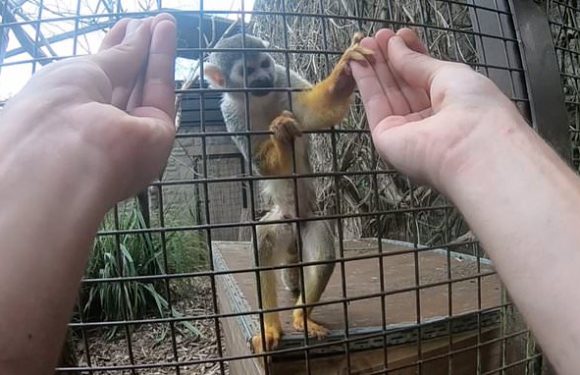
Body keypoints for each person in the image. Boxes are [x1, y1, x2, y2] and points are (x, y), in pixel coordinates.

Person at [0, 14, 578, 375]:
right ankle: (275, 319)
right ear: (225, 82)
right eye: (249, 72)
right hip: (281, 199)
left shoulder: (281, 81)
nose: (263, 75)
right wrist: (278, 138)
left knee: (324, 250)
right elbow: (266, 163)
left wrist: (342, 77)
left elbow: (319, 109)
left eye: (265, 64)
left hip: (313, 203)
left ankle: (304, 306)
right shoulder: (232, 112)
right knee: (267, 240)